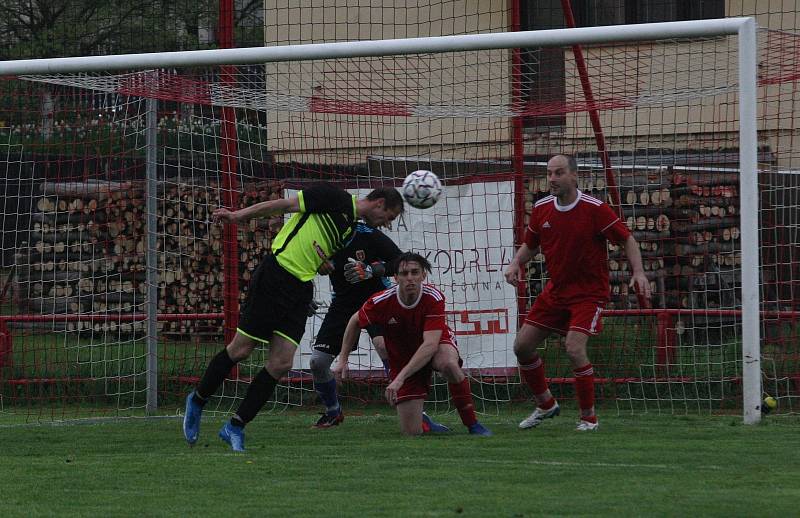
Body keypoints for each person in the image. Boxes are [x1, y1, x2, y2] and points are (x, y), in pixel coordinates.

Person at [182, 183, 404, 451]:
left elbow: (319, 261)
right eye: (388, 217)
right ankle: (198, 400)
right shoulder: (335, 197)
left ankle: (235, 426)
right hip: (276, 275)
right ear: (379, 203)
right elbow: (284, 206)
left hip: (300, 289)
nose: (386, 224)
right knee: (241, 350)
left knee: (281, 363)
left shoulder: (348, 228)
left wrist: (325, 265)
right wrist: (238, 215)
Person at [504, 154, 651, 431]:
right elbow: (531, 245)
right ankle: (546, 404)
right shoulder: (542, 208)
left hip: (588, 294)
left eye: (558, 173)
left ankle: (588, 418)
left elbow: (627, 239)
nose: (552, 179)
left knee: (573, 347)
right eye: (549, 173)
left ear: (574, 176)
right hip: (556, 292)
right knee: (521, 347)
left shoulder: (594, 209)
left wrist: (639, 272)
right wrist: (515, 262)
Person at [334, 252, 492, 436]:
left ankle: (472, 424)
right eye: (404, 273)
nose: (410, 278)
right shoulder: (382, 300)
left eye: (415, 272)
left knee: (449, 364)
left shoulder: (433, 297)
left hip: (433, 344)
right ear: (396, 277)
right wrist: (342, 359)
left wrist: (399, 378)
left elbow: (430, 345)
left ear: (423, 275)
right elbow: (355, 321)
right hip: (403, 355)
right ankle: (424, 422)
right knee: (411, 433)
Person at [310, 223, 449, 433]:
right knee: (317, 362)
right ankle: (333, 411)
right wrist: (306, 292)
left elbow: (398, 262)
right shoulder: (319, 236)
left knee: (384, 346)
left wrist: (371, 270)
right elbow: (297, 266)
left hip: (378, 299)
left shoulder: (367, 233)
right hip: (342, 304)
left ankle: (419, 415)